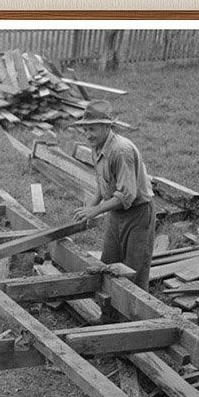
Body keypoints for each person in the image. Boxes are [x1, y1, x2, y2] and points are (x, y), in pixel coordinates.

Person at [72, 99, 155, 318]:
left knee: (133, 272)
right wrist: (89, 207)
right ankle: (108, 318)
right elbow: (103, 184)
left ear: (108, 126)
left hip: (137, 215)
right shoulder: (97, 147)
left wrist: (95, 211)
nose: (88, 134)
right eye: (85, 129)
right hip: (116, 214)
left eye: (92, 129)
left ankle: (134, 326)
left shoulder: (121, 151)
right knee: (107, 266)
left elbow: (127, 195)